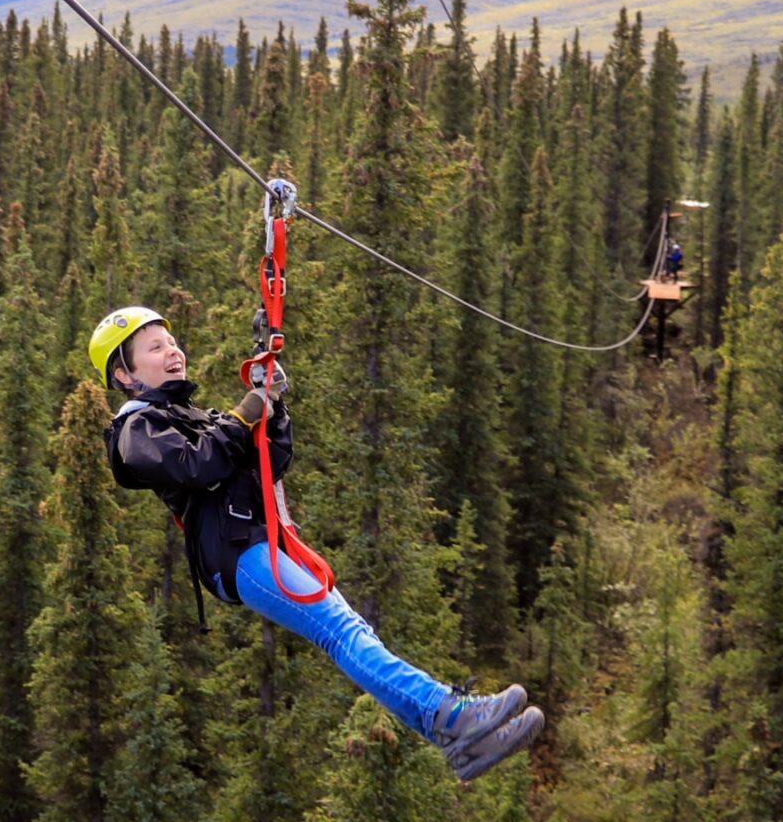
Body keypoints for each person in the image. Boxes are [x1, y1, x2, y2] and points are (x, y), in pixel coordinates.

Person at [90, 305, 544, 782]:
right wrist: (246, 412)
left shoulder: (194, 416)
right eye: (155, 347)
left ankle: (455, 738)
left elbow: (272, 458)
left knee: (353, 632)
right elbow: (198, 466)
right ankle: (454, 717)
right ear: (124, 373)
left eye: (172, 341)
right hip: (236, 552)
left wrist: (273, 404)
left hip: (258, 541)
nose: (173, 352)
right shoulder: (135, 432)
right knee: (342, 633)